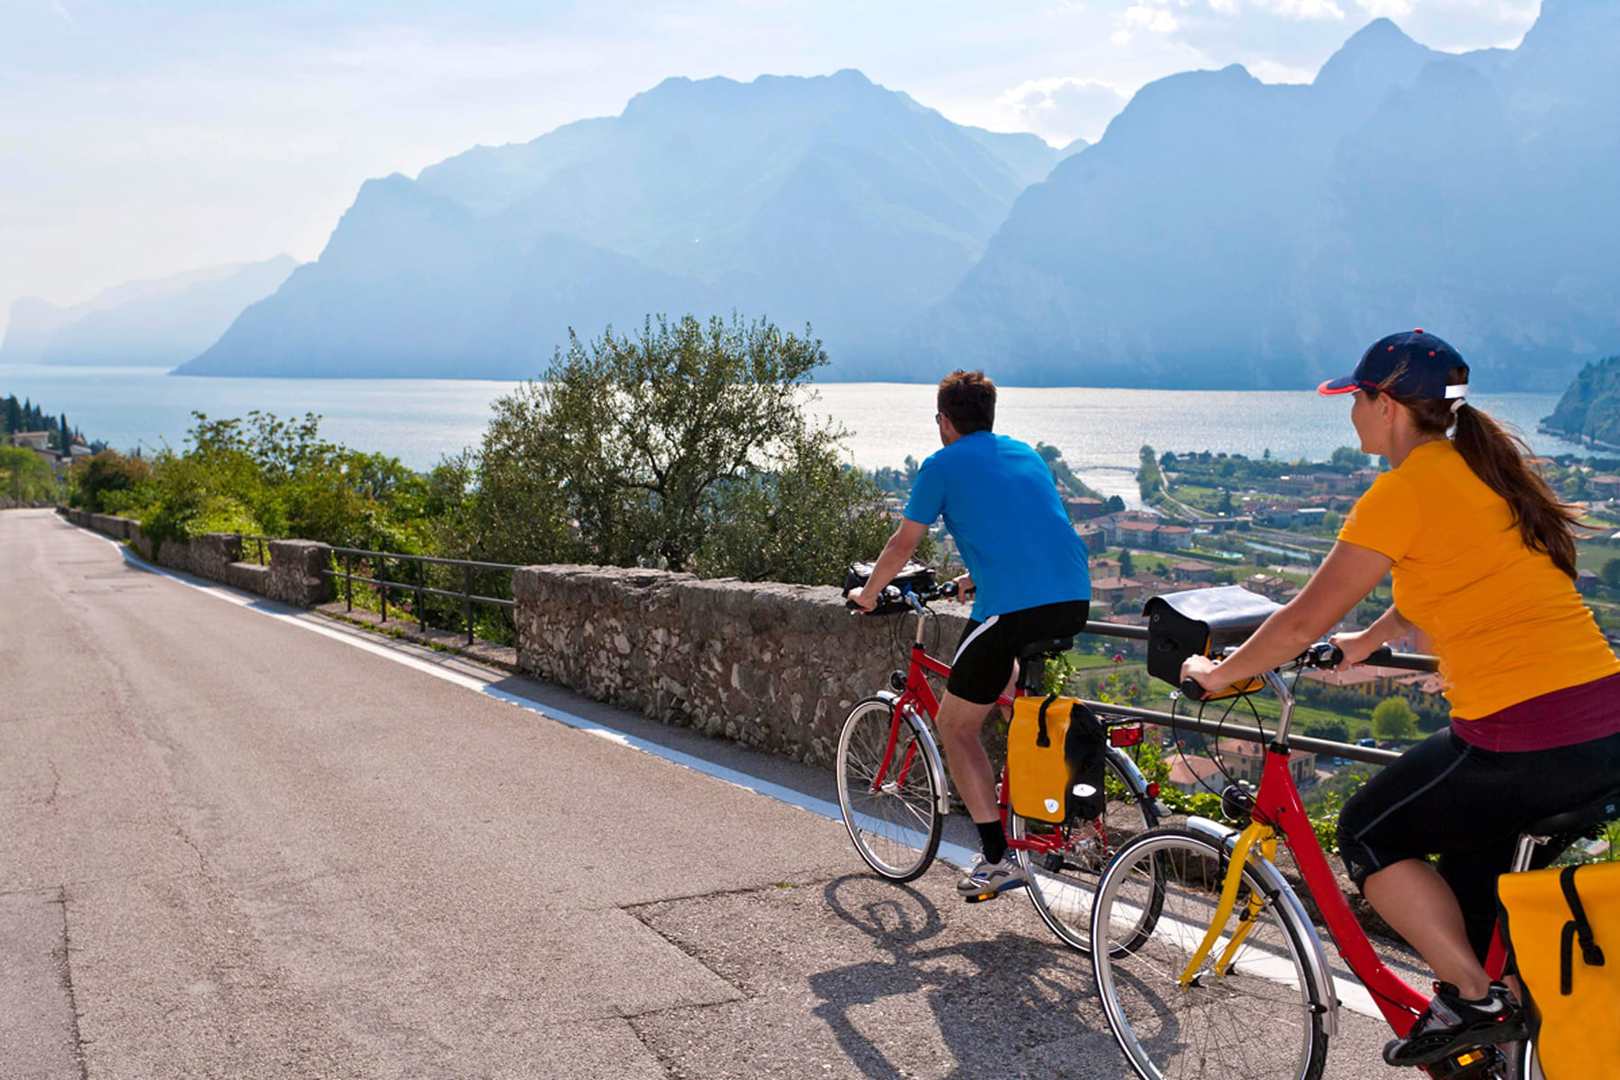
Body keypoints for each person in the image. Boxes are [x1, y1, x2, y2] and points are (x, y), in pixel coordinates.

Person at [1180, 329, 1620, 1067]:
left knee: (1369, 831)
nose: (1350, 411)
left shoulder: (1403, 490)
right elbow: (1442, 580)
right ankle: (1502, 1032)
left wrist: (1218, 673)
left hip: (1526, 735)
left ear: (1385, 405)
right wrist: (1365, 640)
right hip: (1601, 727)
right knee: (1472, 880)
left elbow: (1300, 622)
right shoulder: (1480, 468)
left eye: (1355, 398)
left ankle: (1478, 1000)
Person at [847, 370, 1091, 900]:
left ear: (944, 421)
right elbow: (1030, 532)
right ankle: (1033, 797)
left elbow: (902, 543)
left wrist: (868, 593)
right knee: (1004, 690)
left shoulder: (941, 465)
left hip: (1015, 609)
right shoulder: (1027, 454)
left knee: (955, 726)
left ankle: (997, 858)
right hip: (1073, 598)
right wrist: (971, 578)